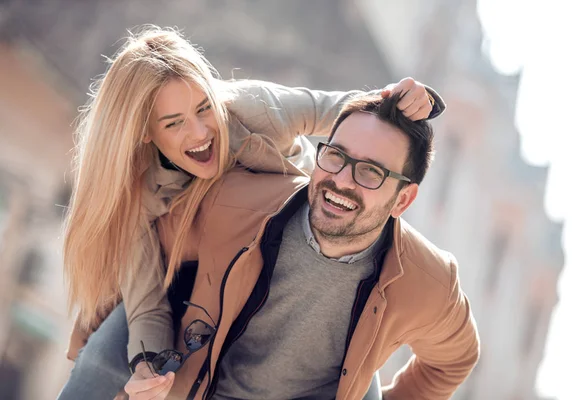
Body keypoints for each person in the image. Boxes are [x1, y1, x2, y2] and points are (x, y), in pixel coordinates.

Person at [58, 26, 442, 399]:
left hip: (286, 263)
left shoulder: (254, 109)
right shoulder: (137, 192)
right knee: (97, 366)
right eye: (174, 124)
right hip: (185, 286)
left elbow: (348, 113)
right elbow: (147, 302)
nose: (199, 133)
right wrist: (147, 365)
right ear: (145, 132)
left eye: (204, 108)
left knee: (355, 366)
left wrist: (405, 100)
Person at [142, 92, 479, 400]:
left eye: (371, 172)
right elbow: (146, 261)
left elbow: (453, 360)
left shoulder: (430, 281)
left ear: (402, 200)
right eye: (335, 156)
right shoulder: (233, 201)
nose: (342, 180)